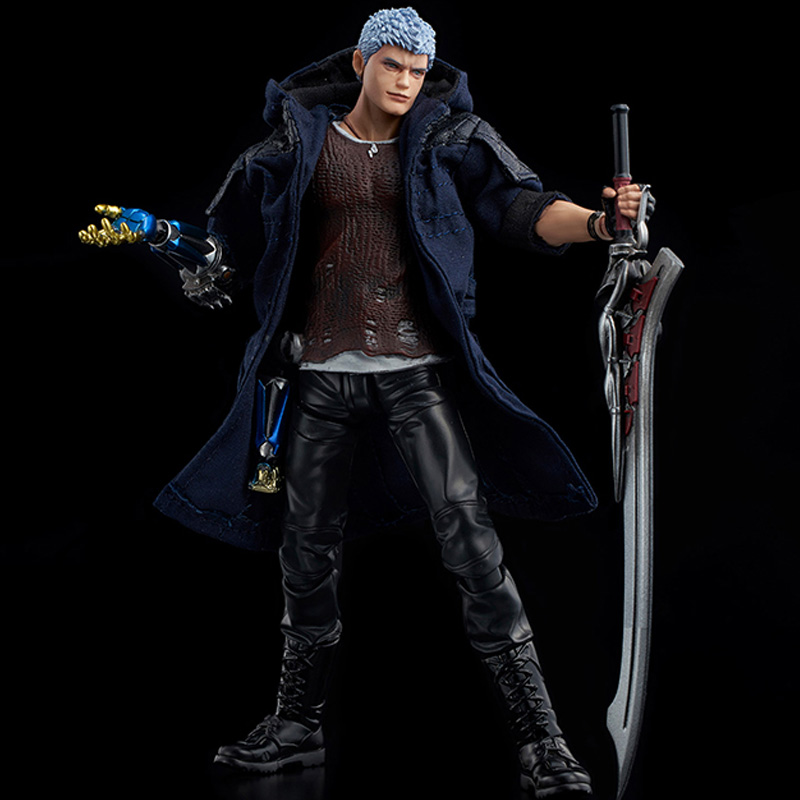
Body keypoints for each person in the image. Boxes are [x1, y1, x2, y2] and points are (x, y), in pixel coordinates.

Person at [81, 8, 645, 797]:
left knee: (473, 547)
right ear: (361, 63)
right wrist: (161, 236)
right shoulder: (291, 147)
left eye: (417, 70)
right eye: (393, 65)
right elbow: (227, 249)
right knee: (306, 553)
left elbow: (521, 208)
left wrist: (599, 221)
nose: (406, 82)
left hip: (416, 375)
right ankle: (296, 727)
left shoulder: (451, 139)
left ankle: (541, 738)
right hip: (316, 378)